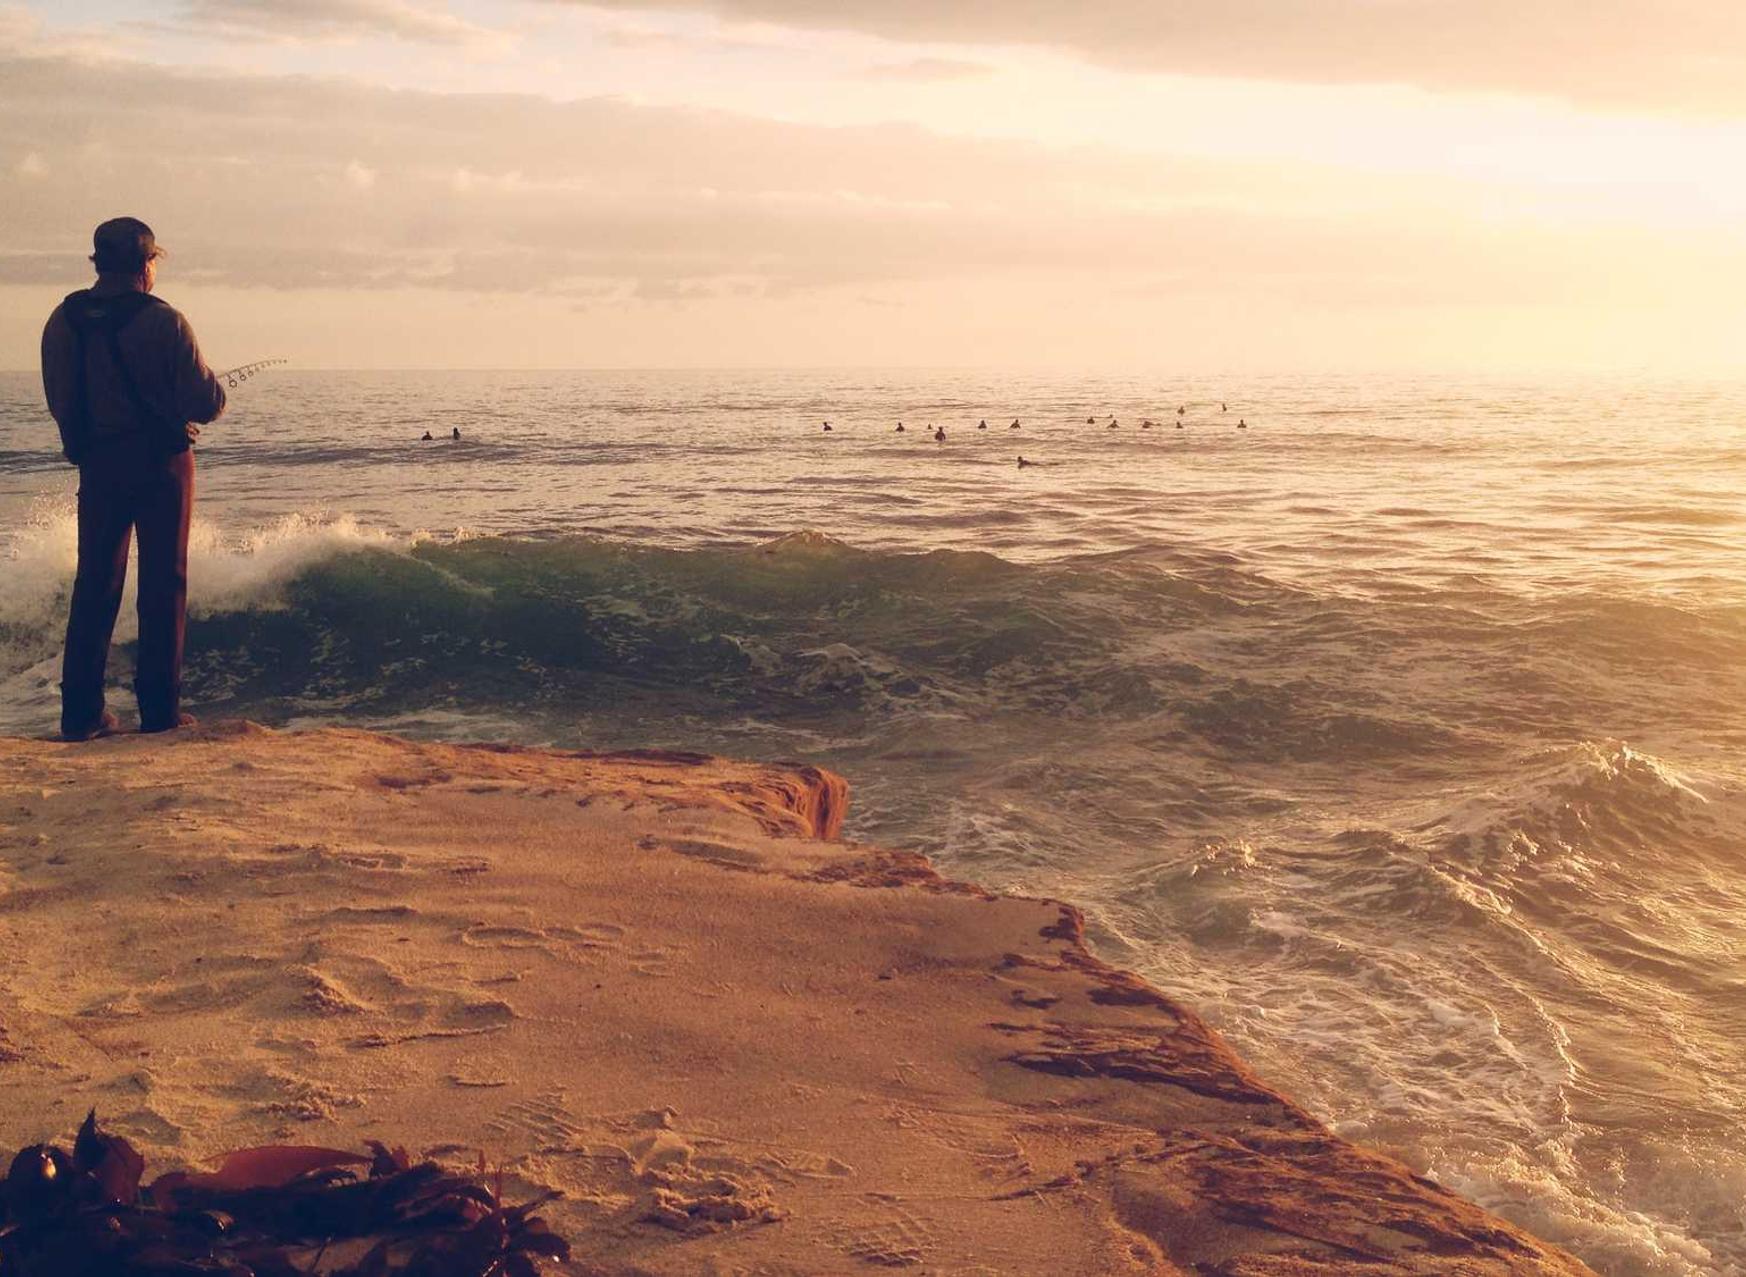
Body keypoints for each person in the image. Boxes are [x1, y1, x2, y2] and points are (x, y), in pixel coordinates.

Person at [40, 217, 226, 741]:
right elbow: (205, 402)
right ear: (146, 265)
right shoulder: (164, 322)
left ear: (98, 264)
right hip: (162, 465)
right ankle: (160, 712)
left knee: (95, 584)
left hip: (98, 464)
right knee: (164, 583)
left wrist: (81, 444)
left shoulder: (64, 319)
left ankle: (80, 714)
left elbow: (60, 398)